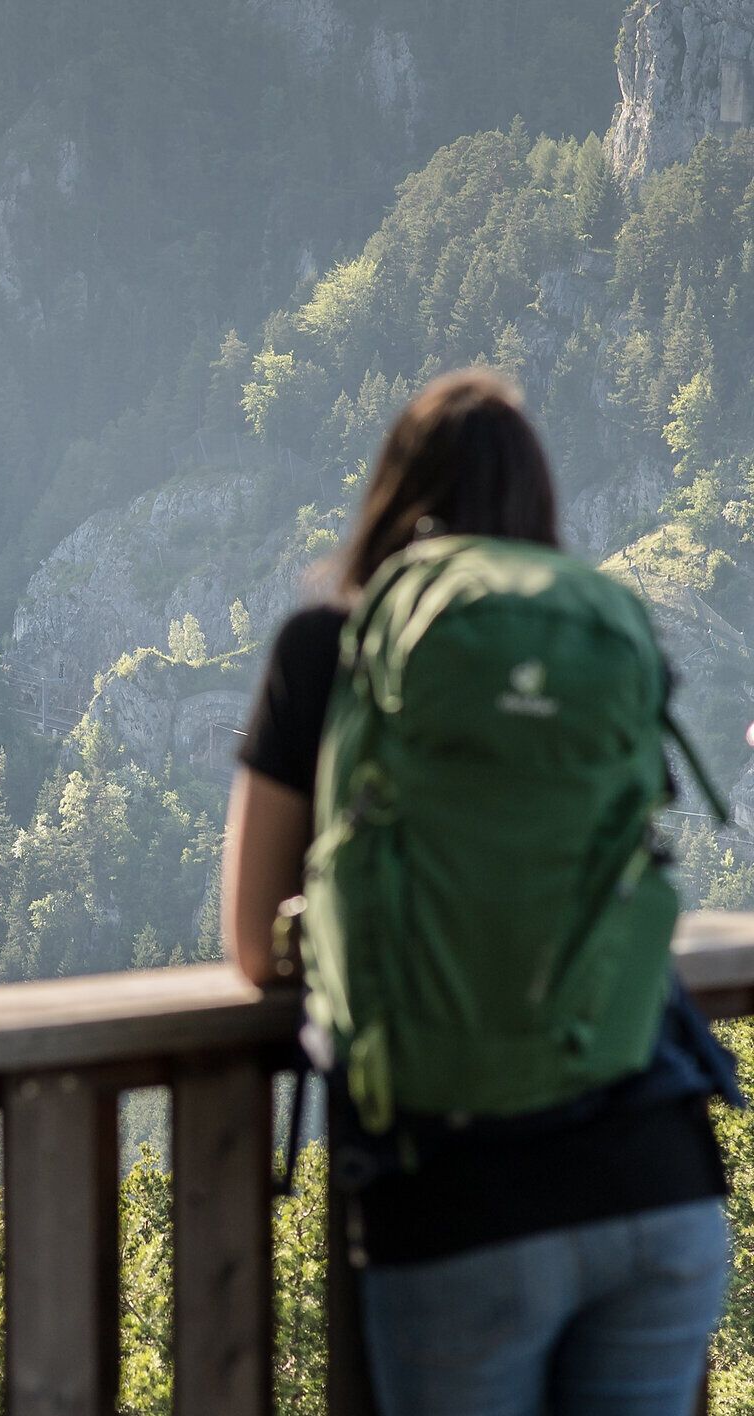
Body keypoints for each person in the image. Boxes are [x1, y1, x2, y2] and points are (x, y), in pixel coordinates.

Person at [221, 369, 736, 1415]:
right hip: (660, 1181)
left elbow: (250, 940)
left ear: (389, 501)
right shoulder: (594, 642)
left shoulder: (331, 648)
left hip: (461, 1196)